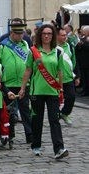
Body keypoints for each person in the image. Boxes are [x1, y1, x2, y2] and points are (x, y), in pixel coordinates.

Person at [19, 24, 69, 159]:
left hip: (52, 91)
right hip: (37, 92)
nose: (47, 36)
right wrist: (23, 88)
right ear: (40, 35)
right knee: (37, 120)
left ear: (53, 36)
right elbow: (28, 70)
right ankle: (36, 145)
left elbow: (60, 72)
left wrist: (61, 88)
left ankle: (59, 149)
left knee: (54, 120)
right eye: (44, 33)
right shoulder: (33, 51)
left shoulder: (58, 52)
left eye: (49, 33)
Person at [0, 22, 33, 144]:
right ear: (12, 33)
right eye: (18, 34)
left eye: (22, 33)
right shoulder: (3, 46)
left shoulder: (25, 46)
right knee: (8, 111)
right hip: (8, 83)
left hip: (23, 83)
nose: (21, 36)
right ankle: (9, 134)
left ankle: (30, 134)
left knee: (25, 111)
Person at [57, 28, 80, 125]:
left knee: (71, 97)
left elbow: (74, 61)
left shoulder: (69, 46)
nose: (65, 37)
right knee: (55, 100)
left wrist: (77, 76)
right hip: (56, 79)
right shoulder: (53, 47)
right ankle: (54, 117)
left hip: (68, 78)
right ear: (57, 36)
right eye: (62, 35)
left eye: (65, 35)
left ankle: (64, 113)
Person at [75, 26, 89, 96]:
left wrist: (83, 44)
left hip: (87, 61)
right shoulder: (83, 38)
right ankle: (84, 89)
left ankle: (87, 91)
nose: (82, 32)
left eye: (84, 31)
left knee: (87, 77)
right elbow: (78, 49)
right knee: (84, 77)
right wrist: (79, 44)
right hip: (82, 62)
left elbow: (87, 48)